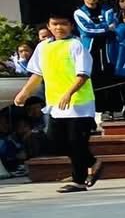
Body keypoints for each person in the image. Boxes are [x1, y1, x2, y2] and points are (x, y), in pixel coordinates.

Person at [12, 14, 100, 191]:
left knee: (76, 142)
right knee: (54, 141)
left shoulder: (76, 45)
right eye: (55, 24)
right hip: (55, 104)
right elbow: (37, 74)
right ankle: (92, 162)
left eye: (63, 24)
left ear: (71, 26)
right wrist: (24, 92)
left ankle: (78, 180)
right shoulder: (43, 47)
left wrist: (69, 93)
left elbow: (83, 74)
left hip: (79, 104)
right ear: (49, 26)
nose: (59, 27)